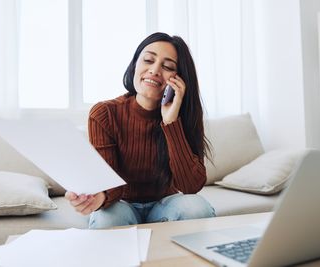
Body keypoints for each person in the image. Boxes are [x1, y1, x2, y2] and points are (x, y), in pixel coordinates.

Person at [65, 32, 215, 229]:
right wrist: (99, 197)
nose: (154, 70)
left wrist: (171, 123)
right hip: (121, 204)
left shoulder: (185, 115)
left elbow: (191, 187)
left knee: (197, 208)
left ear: (178, 79)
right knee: (108, 218)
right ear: (135, 64)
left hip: (164, 206)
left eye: (168, 66)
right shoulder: (104, 113)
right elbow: (109, 177)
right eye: (148, 60)